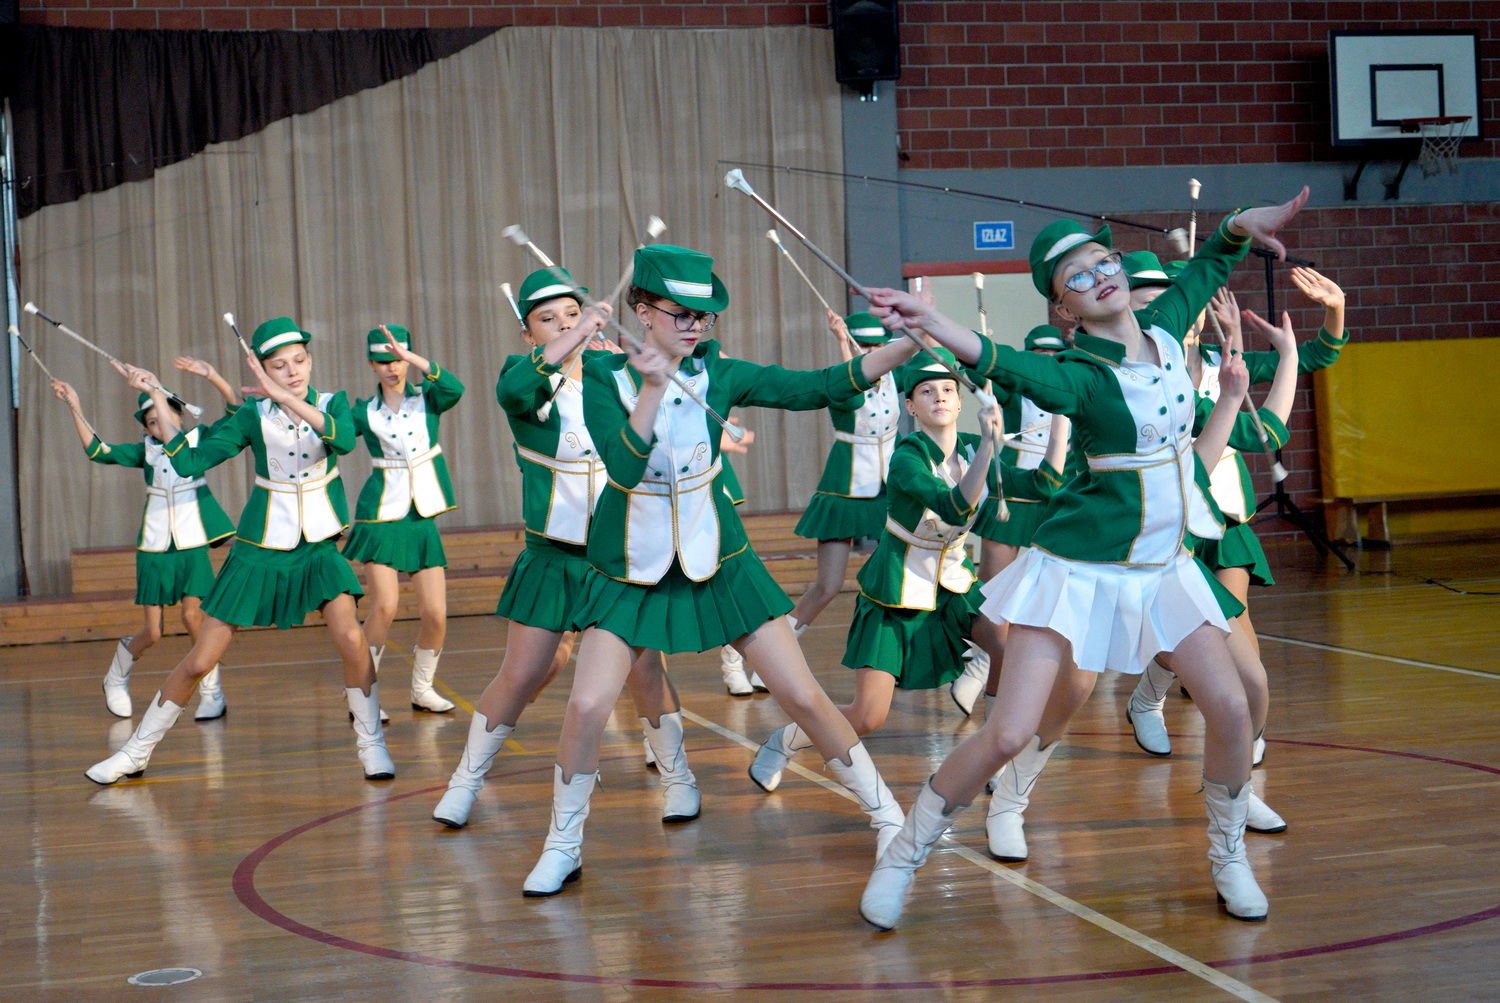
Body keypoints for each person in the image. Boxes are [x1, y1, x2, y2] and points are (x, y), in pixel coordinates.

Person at [856, 188, 1311, 929]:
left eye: (1103, 261)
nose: (1098, 276)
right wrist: (931, 322)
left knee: (1231, 708)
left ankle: (1227, 854)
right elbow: (1001, 362)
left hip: (1163, 569)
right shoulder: (1079, 374)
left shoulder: (1165, 330)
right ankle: (904, 853)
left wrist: (1237, 227)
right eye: (1076, 277)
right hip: (1076, 571)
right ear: (1063, 308)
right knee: (1008, 731)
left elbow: (1204, 269)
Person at [521, 243, 923, 897]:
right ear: (642, 310)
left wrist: (908, 344)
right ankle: (563, 845)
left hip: (721, 556)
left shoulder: (721, 372)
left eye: (703, 315)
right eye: (680, 313)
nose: (694, 325)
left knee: (803, 694)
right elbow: (623, 468)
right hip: (629, 563)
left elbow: (818, 386)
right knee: (588, 704)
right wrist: (652, 390)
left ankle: (891, 822)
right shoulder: (602, 376)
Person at [433, 268, 695, 829]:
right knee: (521, 673)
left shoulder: (612, 376)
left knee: (646, 671)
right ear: (528, 334)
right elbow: (512, 391)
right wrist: (576, 337)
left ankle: (678, 778)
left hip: (618, 556)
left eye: (573, 314)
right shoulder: (524, 381)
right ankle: (465, 782)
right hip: (552, 557)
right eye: (548, 320)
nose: (565, 325)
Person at [84, 317, 394, 784]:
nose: (292, 371)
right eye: (279, 366)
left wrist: (287, 398)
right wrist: (156, 397)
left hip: (319, 547)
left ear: (310, 361)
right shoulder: (252, 415)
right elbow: (189, 461)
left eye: (299, 361)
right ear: (263, 370)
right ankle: (135, 752)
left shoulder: (333, 403)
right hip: (258, 548)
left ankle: (372, 745)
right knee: (200, 660)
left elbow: (344, 441)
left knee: (352, 639)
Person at [748, 347, 1069, 791]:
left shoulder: (972, 447)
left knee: (1006, 647)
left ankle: (990, 754)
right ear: (911, 406)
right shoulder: (906, 457)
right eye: (927, 391)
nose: (939, 397)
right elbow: (954, 508)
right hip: (896, 590)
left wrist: (1061, 416)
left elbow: (1045, 484)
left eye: (948, 390)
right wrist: (988, 448)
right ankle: (785, 741)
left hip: (952, 583)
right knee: (868, 716)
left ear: (961, 402)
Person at [1128, 269, 1351, 759]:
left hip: (1224, 516)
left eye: (1175, 304)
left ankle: (1242, 736)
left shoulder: (1222, 362)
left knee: (1236, 629)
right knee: (1178, 632)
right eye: (1146, 308)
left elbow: (1316, 355)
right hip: (1165, 525)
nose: (1163, 315)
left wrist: (1334, 309)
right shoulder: (1139, 381)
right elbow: (1260, 432)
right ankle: (1148, 700)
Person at [54, 357, 239, 721]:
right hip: (154, 547)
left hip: (192, 544)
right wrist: (74, 403)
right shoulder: (146, 453)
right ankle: (115, 677)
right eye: (152, 422)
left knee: (194, 618)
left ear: (179, 415)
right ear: (146, 429)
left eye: (164, 415)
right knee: (153, 632)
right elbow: (98, 451)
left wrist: (214, 376)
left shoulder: (199, 440)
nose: (159, 425)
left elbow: (235, 412)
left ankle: (212, 692)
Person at [950, 323, 1072, 716]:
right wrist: (977, 359)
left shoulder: (1072, 389)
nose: (1046, 359)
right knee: (993, 593)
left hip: (1054, 497)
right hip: (1012, 494)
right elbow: (977, 378)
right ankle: (983, 662)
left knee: (1042, 596)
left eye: (1053, 353)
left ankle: (1000, 674)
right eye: (1039, 353)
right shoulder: (1015, 387)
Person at [344, 324, 464, 715]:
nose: (391, 368)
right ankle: (361, 695)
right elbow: (335, 437)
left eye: (397, 359)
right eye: (383, 361)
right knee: (384, 606)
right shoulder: (363, 411)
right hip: (380, 514)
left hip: (421, 513)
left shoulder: (428, 398)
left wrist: (414, 359)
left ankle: (421, 689)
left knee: (436, 615)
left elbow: (454, 388)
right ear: (371, 364)